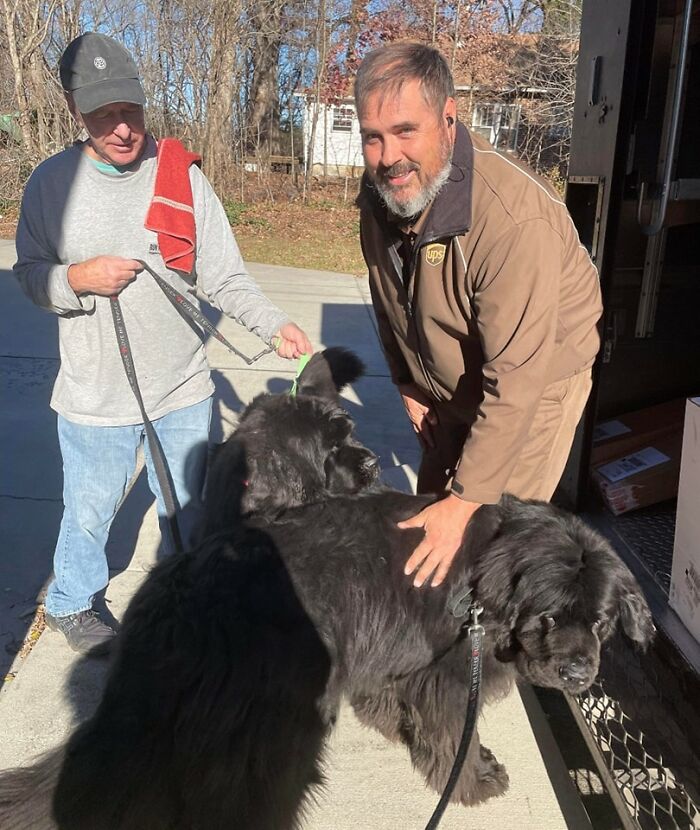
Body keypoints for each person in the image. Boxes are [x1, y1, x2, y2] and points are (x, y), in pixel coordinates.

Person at [13, 32, 312, 654]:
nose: (122, 130)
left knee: (189, 512)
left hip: (181, 388)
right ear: (76, 112)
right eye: (103, 117)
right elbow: (29, 273)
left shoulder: (179, 176)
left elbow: (224, 275)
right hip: (94, 395)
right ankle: (71, 601)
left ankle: (193, 598)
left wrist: (272, 324)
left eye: (130, 112)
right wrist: (76, 278)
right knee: (89, 513)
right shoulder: (49, 184)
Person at [355, 43, 603, 590]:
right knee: (431, 510)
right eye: (372, 136)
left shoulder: (513, 220)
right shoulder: (381, 197)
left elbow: (516, 384)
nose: (388, 155)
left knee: (491, 536)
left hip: (535, 384)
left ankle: (487, 658)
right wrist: (407, 384)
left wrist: (467, 501)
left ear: (448, 120)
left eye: (404, 131)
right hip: (449, 376)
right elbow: (388, 299)